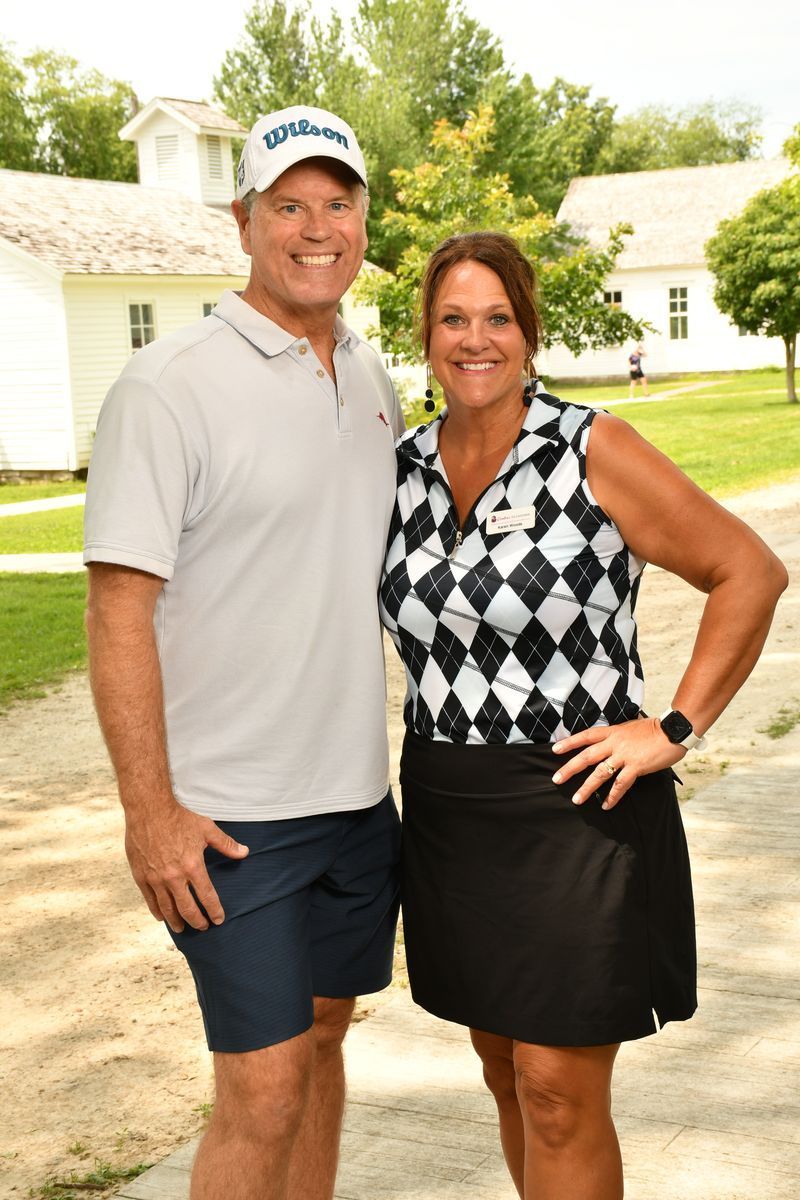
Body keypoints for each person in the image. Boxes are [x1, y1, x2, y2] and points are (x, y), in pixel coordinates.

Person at [379, 231, 787, 1200]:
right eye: (452, 319)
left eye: (496, 319)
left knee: (559, 1089)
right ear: (425, 334)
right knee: (504, 1074)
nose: (474, 340)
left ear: (527, 333)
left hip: (572, 805)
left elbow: (748, 572)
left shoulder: (588, 447)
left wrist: (673, 727)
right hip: (449, 813)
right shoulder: (395, 470)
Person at [84, 106, 403, 1200]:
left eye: (337, 202)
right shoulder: (168, 386)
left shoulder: (370, 377)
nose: (316, 228)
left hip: (359, 805)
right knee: (260, 1092)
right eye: (288, 206)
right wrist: (149, 812)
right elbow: (118, 611)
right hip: (231, 822)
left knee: (323, 1046)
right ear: (244, 222)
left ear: (363, 218)